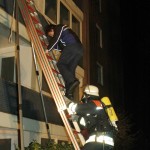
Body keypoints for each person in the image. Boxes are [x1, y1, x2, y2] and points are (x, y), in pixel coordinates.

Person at [68, 85, 117, 150]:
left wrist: (68, 104)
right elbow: (84, 124)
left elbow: (77, 108)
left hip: (99, 141)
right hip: (104, 142)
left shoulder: (96, 104)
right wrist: (75, 119)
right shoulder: (96, 109)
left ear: (87, 95)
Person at [45, 24, 83, 100]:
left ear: (52, 30)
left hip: (72, 46)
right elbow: (59, 46)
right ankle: (69, 94)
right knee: (70, 70)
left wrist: (47, 49)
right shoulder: (63, 35)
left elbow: (55, 38)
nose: (51, 36)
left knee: (61, 64)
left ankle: (72, 81)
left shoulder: (59, 27)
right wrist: (50, 46)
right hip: (80, 49)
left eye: (50, 34)